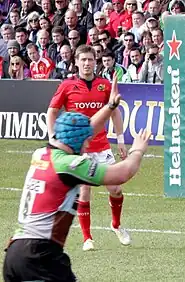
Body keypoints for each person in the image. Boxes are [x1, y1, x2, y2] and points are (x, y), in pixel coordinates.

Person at [3, 79, 151, 281]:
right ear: (77, 141)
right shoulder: (70, 165)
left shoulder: (41, 154)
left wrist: (110, 107)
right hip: (41, 255)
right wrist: (138, 150)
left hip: (15, 253)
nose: (88, 144)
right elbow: (122, 173)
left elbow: (85, 128)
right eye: (86, 141)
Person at [47, 44, 131, 252]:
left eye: (90, 60)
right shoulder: (67, 86)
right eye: (83, 60)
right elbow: (52, 111)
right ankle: (87, 238)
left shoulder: (104, 85)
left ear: (96, 61)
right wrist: (53, 138)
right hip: (79, 150)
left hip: (102, 146)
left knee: (116, 188)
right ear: (76, 62)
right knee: (84, 193)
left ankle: (116, 224)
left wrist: (120, 138)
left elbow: (115, 112)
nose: (87, 64)